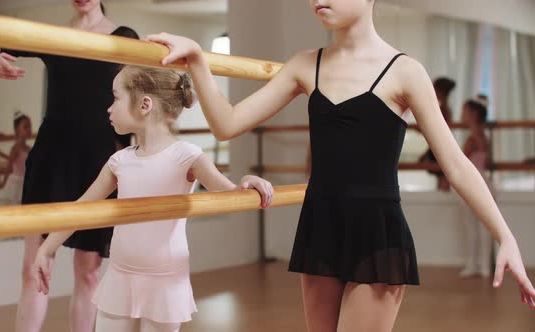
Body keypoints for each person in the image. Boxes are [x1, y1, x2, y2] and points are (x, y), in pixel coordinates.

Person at [145, 0, 535, 330]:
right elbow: (227, 124)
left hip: (376, 232)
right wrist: (197, 60)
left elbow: (456, 163)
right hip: (321, 224)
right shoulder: (304, 64)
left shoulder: (405, 70)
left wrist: (506, 236)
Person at [33, 66, 274, 332]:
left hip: (165, 281)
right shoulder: (119, 161)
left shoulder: (186, 155)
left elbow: (228, 194)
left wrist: (247, 184)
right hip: (121, 275)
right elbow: (82, 209)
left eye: (116, 97)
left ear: (145, 104)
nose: (109, 108)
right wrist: (46, 248)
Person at [0, 1, 139, 331]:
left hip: (98, 163)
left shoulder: (124, 38)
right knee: (33, 268)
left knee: (89, 273)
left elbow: (140, 96)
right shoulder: (53, 36)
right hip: (51, 160)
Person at [459, 99, 493, 278]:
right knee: (483, 226)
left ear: (473, 114)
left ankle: (474, 264)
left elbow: (460, 164)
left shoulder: (472, 139)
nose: (461, 115)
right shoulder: (484, 138)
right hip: (484, 183)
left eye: (464, 111)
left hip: (472, 184)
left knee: (473, 226)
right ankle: (483, 266)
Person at [418, 77, 456, 191]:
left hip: (442, 146)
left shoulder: (443, 109)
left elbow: (437, 131)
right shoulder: (444, 109)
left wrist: (420, 128)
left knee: (443, 179)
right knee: (442, 179)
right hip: (440, 145)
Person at [0, 112, 32, 205]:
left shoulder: (29, 148)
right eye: (26, 127)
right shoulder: (15, 148)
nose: (29, 129)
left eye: (30, 126)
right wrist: (3, 183)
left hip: (26, 182)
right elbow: (9, 167)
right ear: (17, 130)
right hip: (16, 184)